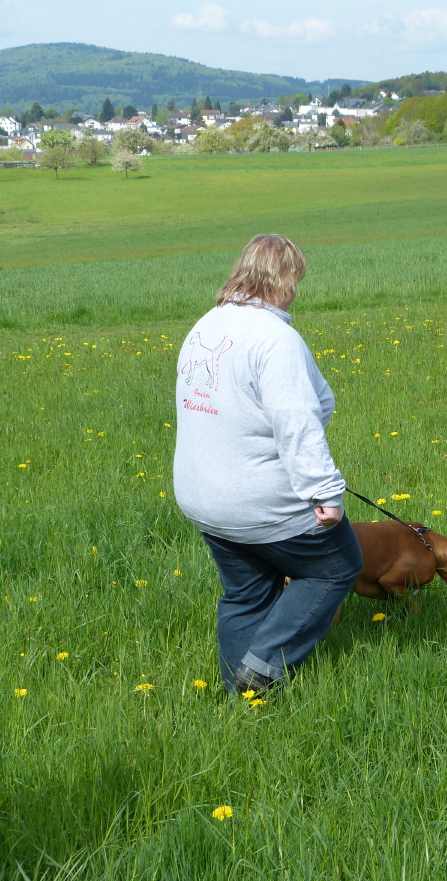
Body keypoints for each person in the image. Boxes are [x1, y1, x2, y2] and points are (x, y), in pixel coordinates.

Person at [173, 234, 362, 696]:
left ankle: (240, 699)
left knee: (246, 592)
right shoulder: (276, 339)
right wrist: (324, 493)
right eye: (296, 280)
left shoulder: (206, 326)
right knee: (337, 566)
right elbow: (296, 422)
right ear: (285, 279)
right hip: (256, 501)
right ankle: (262, 670)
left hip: (202, 497)